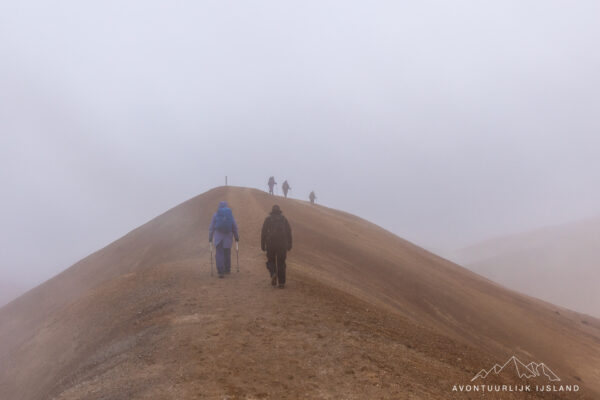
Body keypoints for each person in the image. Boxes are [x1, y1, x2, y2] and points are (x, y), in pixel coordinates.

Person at [261, 205, 292, 288]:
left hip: (270, 244)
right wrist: (289, 244)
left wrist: (263, 245)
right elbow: (289, 232)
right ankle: (281, 283)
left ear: (272, 211)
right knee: (281, 263)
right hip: (282, 244)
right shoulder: (283, 219)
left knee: (271, 261)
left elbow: (263, 232)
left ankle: (273, 273)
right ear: (279, 211)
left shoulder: (268, 219)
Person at [209, 201, 239, 278]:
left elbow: (212, 227)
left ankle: (220, 271)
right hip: (228, 238)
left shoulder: (215, 215)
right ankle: (227, 269)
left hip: (218, 238)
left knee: (219, 254)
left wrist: (210, 237)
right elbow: (234, 226)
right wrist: (236, 236)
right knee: (227, 253)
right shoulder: (230, 215)